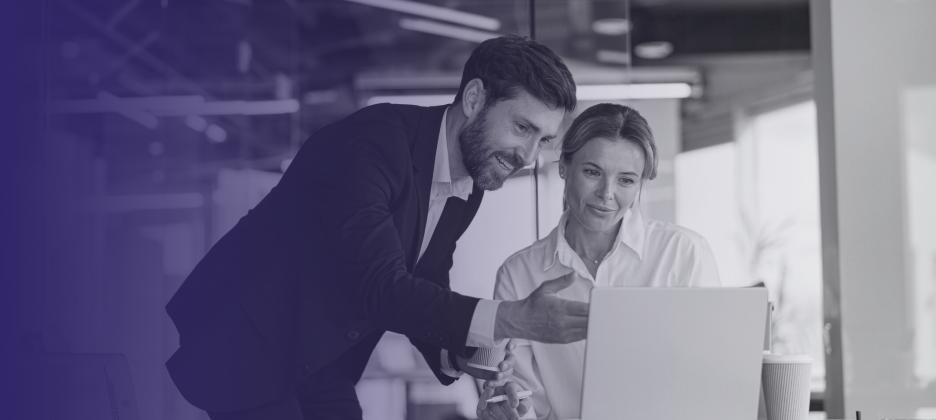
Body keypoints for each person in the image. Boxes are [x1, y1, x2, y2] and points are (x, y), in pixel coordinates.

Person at [165, 35, 590, 420]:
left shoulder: (469, 183)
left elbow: (424, 277)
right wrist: (511, 319)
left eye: (544, 140)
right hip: (245, 343)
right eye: (522, 128)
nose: (529, 155)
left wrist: (463, 356)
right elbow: (379, 285)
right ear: (475, 98)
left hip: (319, 359)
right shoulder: (374, 142)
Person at [477, 103, 721, 420]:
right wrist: (508, 408)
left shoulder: (684, 253)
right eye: (592, 172)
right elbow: (525, 402)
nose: (607, 194)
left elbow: (711, 380)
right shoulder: (519, 273)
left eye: (626, 180)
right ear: (564, 166)